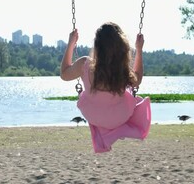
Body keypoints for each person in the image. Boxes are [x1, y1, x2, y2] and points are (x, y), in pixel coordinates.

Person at [60, 22, 151, 153]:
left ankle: (105, 131)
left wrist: (71, 43)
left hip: (93, 115)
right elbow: (138, 80)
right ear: (121, 46)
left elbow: (64, 74)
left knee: (96, 103)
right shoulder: (121, 69)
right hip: (121, 116)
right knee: (135, 101)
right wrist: (139, 50)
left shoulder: (85, 64)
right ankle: (117, 130)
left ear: (97, 46)